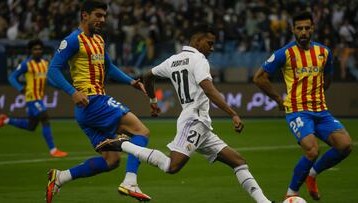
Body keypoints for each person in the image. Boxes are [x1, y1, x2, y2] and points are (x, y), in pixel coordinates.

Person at [114, 24, 273, 203]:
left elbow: (148, 76)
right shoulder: (199, 59)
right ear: (198, 41)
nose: (212, 49)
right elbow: (208, 89)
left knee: (238, 161)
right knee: (171, 166)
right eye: (209, 43)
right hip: (194, 120)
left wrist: (153, 101)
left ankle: (264, 202)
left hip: (201, 124)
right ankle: (123, 144)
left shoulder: (173, 60)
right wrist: (232, 113)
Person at [45, 0, 152, 202]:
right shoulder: (73, 40)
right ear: (84, 15)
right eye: (98, 15)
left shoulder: (99, 40)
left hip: (87, 111)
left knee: (111, 161)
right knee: (142, 132)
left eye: (104, 16)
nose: (102, 20)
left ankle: (60, 177)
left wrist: (131, 82)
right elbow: (52, 70)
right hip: (94, 101)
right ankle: (130, 182)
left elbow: (109, 67)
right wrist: (72, 91)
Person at [253, 11, 352, 201]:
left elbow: (328, 77)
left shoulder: (324, 52)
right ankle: (291, 194)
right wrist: (279, 100)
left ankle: (312, 175)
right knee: (312, 150)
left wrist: (318, 94)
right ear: (293, 30)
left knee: (345, 145)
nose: (304, 32)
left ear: (313, 29)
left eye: (307, 28)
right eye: (300, 28)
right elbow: (259, 78)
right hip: (297, 111)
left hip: (321, 111)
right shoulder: (285, 53)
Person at [0, 39, 68, 158]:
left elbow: (47, 79)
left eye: (40, 49)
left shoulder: (44, 63)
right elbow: (12, 77)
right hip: (31, 98)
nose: (38, 51)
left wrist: (57, 85)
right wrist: (20, 88)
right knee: (45, 118)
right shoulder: (26, 64)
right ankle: (53, 150)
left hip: (39, 98)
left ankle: (5, 120)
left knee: (31, 126)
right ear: (30, 51)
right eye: (35, 49)